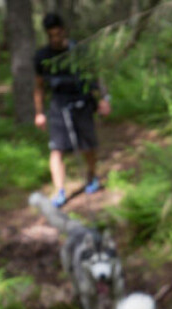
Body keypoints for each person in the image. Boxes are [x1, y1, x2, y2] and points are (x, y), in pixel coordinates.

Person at [33, 12, 110, 208]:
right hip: (58, 105)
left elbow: (96, 75)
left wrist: (103, 99)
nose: (56, 39)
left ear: (64, 31)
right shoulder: (42, 56)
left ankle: (91, 178)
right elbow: (39, 86)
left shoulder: (79, 50)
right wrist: (39, 113)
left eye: (58, 34)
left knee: (88, 146)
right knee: (57, 149)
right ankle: (59, 190)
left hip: (83, 102)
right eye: (51, 35)